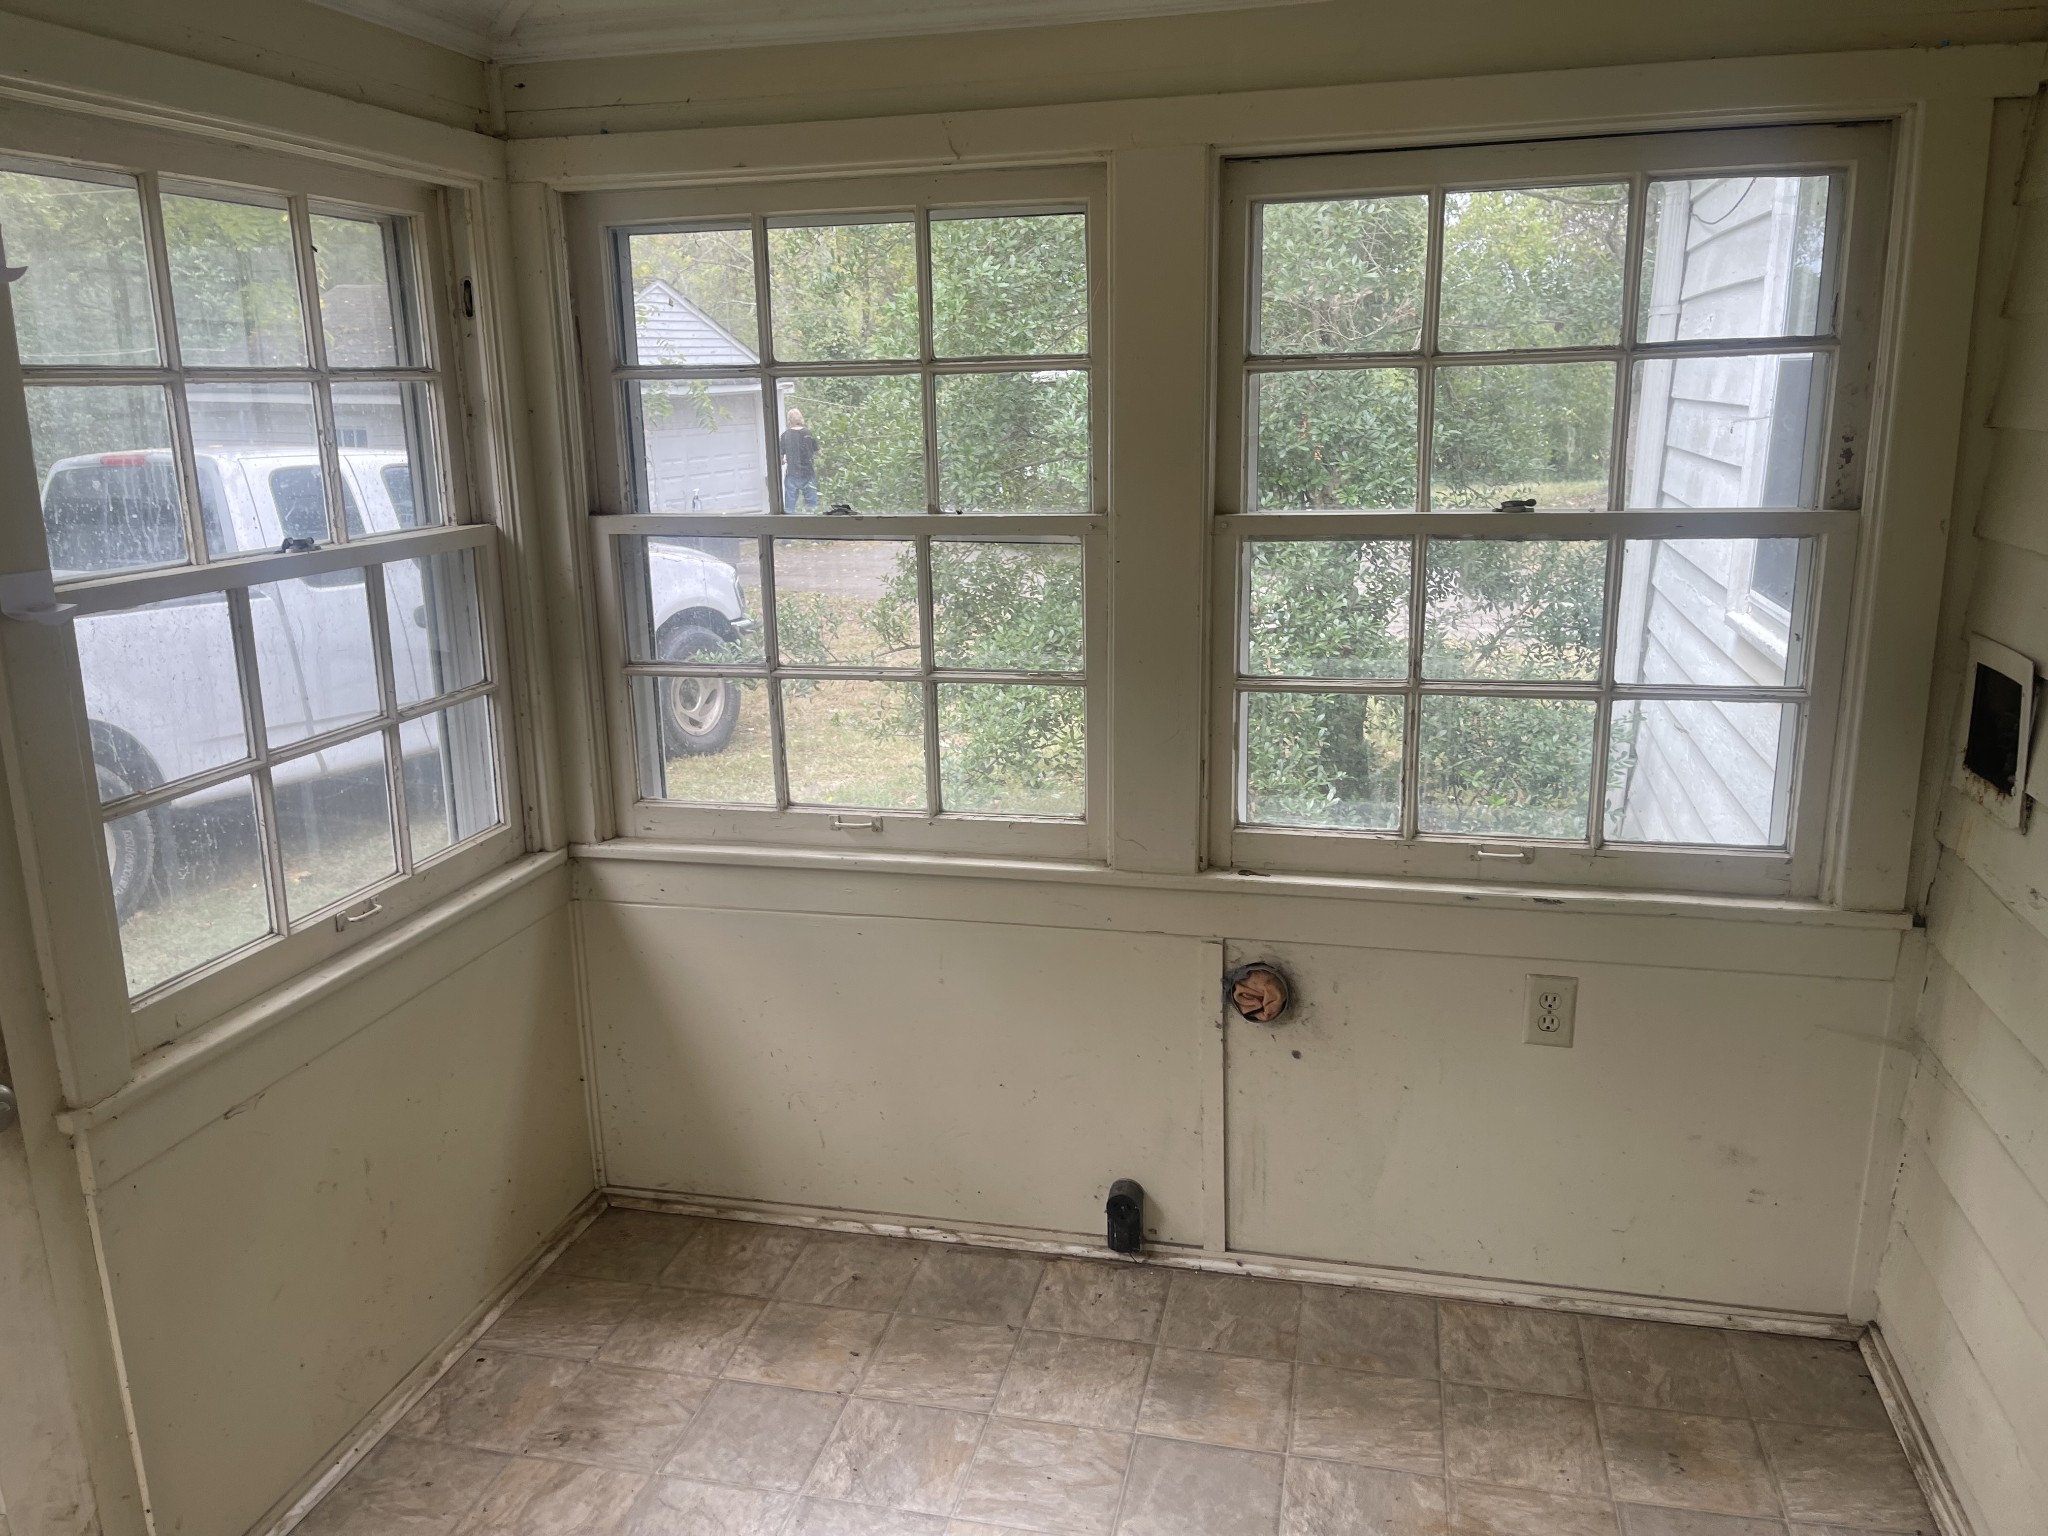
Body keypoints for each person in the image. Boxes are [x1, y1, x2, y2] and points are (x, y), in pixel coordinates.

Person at [779, 407, 820, 512]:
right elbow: (818, 452)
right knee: (812, 506)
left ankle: (789, 527)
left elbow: (780, 459)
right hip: (807, 473)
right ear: (801, 419)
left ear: (789, 420)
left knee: (789, 507)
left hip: (792, 473)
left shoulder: (785, 436)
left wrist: (784, 460)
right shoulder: (808, 433)